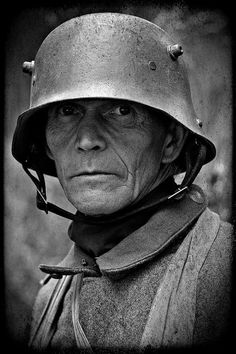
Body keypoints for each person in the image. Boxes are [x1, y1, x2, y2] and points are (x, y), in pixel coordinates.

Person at [12, 13, 233, 352]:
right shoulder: (49, 298)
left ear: (171, 141)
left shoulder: (222, 267)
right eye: (68, 111)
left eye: (121, 111)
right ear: (45, 144)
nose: (87, 139)